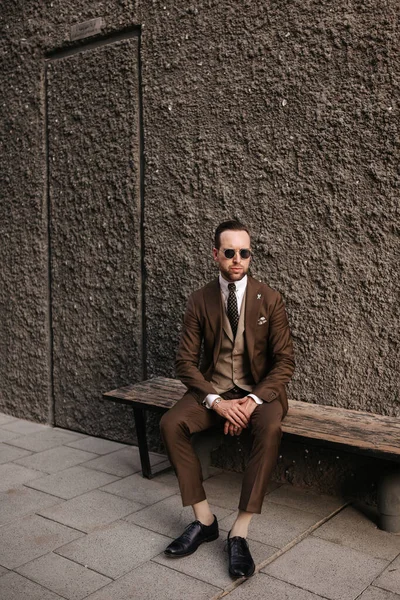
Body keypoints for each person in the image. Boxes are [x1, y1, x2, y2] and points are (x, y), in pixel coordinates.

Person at [160, 219, 295, 578]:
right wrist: (216, 403)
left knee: (269, 429)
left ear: (251, 255)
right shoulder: (199, 300)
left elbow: (284, 362)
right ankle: (205, 521)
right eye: (230, 252)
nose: (238, 259)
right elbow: (184, 362)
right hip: (215, 391)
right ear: (215, 253)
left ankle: (239, 532)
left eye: (244, 252)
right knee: (171, 423)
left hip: (259, 395)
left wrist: (252, 401)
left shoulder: (270, 298)